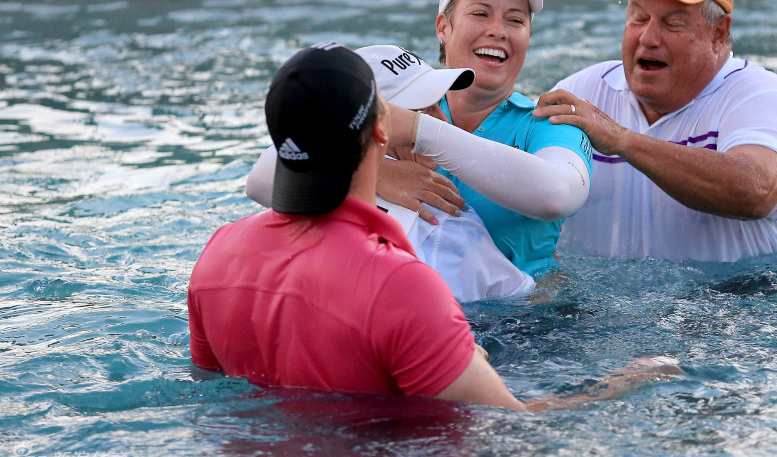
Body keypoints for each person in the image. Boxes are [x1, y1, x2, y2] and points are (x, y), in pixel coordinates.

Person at [189, 42, 682, 409]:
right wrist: (632, 379)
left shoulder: (218, 254)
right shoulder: (401, 283)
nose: (438, 116)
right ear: (385, 129)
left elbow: (212, 397)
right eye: (422, 110)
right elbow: (514, 426)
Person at [533, 0, 777, 262]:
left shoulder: (758, 93)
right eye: (638, 17)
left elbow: (758, 192)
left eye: (672, 23)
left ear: (719, 33)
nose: (648, 38)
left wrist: (622, 140)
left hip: (738, 302)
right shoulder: (585, 90)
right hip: (600, 310)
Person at [245, 44, 537, 303]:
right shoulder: (446, 224)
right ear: (380, 126)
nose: (442, 123)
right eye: (417, 114)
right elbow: (522, 305)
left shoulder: (292, 206)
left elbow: (261, 176)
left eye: (439, 104)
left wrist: (375, 169)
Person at [379, 0, 593, 278]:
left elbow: (558, 195)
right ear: (443, 27)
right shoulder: (398, 98)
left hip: (523, 323)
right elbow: (280, 174)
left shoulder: (550, 125)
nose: (498, 31)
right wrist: (374, 172)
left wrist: (419, 132)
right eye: (481, 14)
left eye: (516, 20)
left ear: (528, 38)